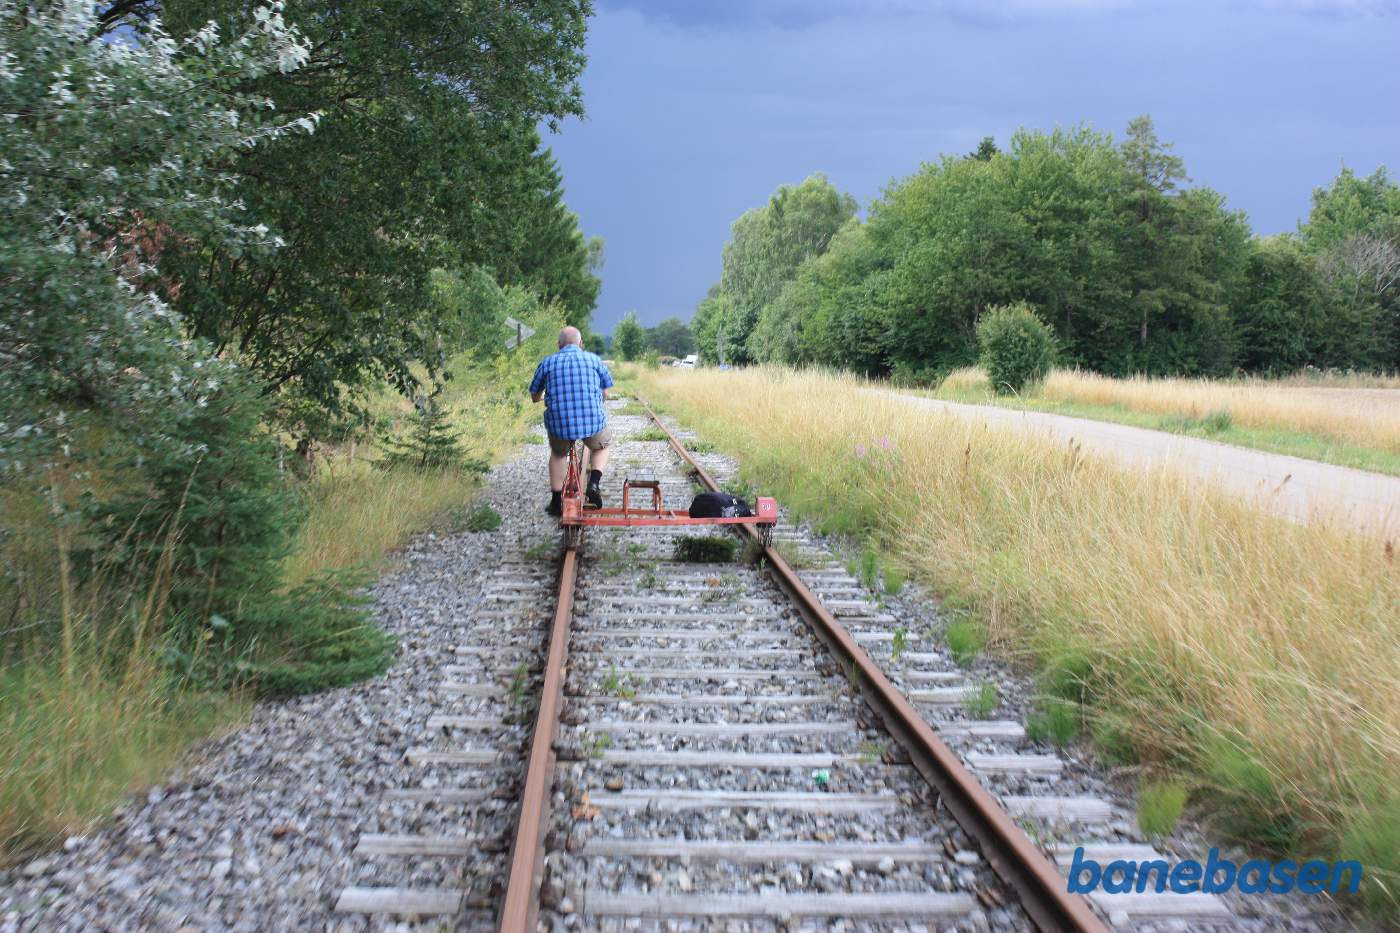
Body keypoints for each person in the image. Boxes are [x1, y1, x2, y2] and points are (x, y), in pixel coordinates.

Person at [529, 326, 614, 516]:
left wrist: (544, 396)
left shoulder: (547, 363)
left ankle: (556, 501)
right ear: (581, 343)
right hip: (592, 422)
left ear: (559, 345)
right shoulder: (594, 360)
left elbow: (534, 396)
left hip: (560, 424)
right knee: (602, 445)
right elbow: (605, 393)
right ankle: (594, 483)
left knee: (559, 455)